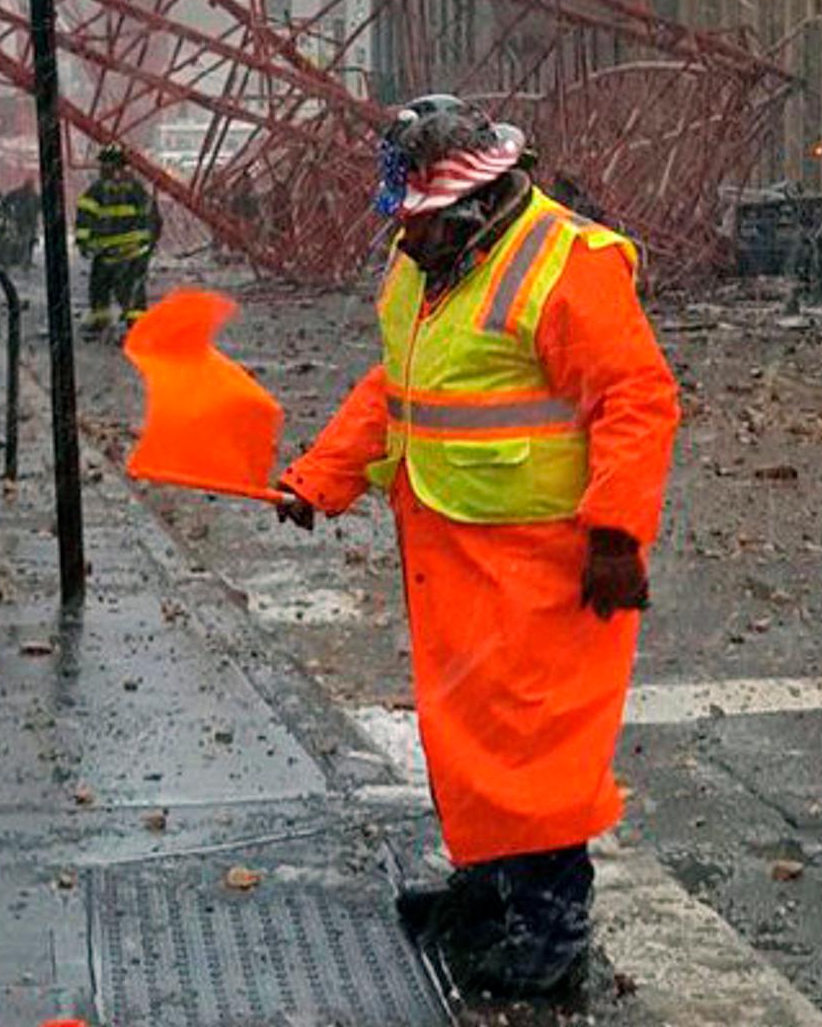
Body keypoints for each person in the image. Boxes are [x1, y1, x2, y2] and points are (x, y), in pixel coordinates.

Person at [275, 95, 680, 1002]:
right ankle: (490, 892)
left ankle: (549, 930)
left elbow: (636, 399)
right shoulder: (428, 262)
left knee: (538, 749)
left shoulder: (565, 262)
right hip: (453, 550)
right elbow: (401, 388)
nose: (404, 239)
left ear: (471, 204)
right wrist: (320, 479)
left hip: (545, 560)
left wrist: (617, 535)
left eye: (419, 223)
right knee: (472, 739)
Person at [74, 145, 161, 335]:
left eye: (103, 165)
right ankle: (137, 328)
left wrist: (83, 243)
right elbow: (153, 219)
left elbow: (84, 217)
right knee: (131, 292)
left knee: (100, 288)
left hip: (109, 253)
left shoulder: (97, 190)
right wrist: (149, 244)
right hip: (132, 252)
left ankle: (103, 323)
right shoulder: (137, 190)